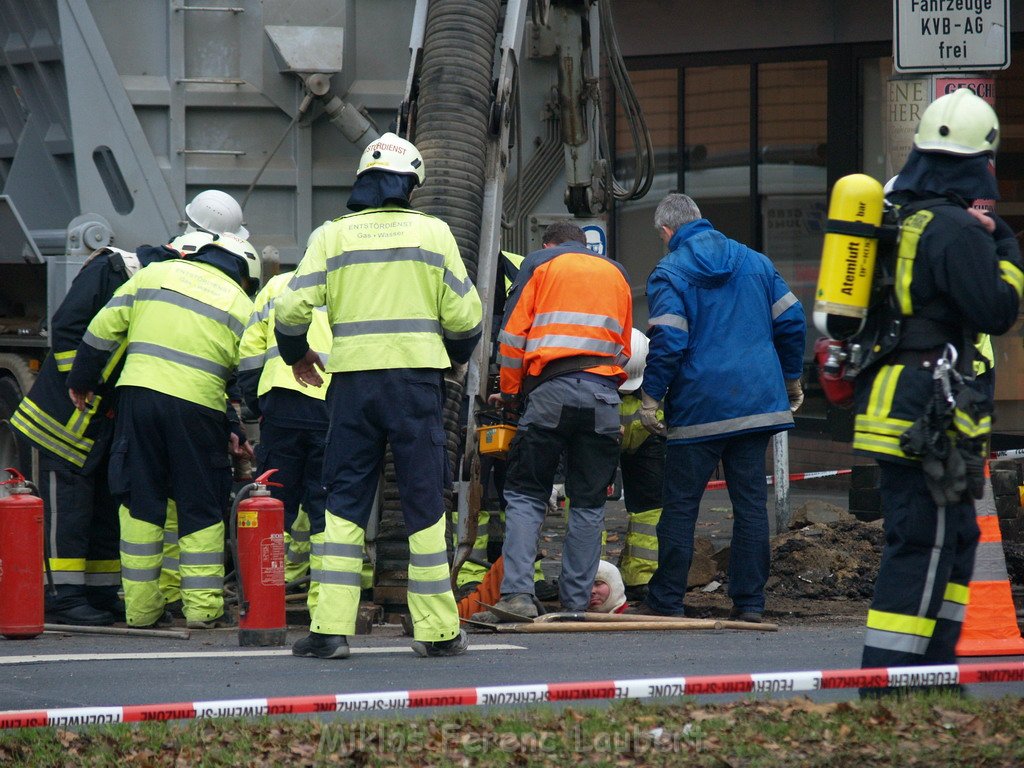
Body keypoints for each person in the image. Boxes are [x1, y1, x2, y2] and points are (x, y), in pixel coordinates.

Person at [275, 132, 482, 659]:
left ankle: (328, 631)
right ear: (410, 184)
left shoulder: (332, 235)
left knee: (343, 503)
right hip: (415, 384)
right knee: (423, 504)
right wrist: (453, 354)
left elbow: (291, 309)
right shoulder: (433, 234)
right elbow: (466, 317)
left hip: (352, 385)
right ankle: (437, 633)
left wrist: (296, 354)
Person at [850, 89, 1022, 673]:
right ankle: (895, 685)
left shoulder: (902, 218)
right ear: (980, 161)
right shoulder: (955, 229)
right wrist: (1004, 243)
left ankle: (935, 673)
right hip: (925, 410)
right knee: (924, 546)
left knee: (956, 542)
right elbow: (997, 310)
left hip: (897, 401)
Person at [10, 232, 216, 625]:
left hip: (101, 427)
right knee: (65, 512)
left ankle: (101, 592)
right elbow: (68, 327)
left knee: (104, 506)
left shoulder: (155, 286)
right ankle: (61, 596)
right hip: (56, 423)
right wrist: (82, 381)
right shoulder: (111, 269)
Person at [67, 233, 260, 629]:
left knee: (141, 500)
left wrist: (82, 379)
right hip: (197, 410)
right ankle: (203, 609)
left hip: (136, 403)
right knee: (200, 503)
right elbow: (250, 371)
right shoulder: (239, 302)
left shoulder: (153, 275)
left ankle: (140, 610)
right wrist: (245, 419)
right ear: (243, 273)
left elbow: (101, 329)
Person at [634, 192, 805, 623]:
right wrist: (790, 379)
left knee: (681, 505)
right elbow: (792, 320)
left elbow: (670, 340)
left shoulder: (669, 271)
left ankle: (668, 598)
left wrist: (651, 398)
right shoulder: (756, 262)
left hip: (698, 408)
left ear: (667, 231)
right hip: (756, 403)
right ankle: (749, 604)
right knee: (750, 506)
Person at [472, 220, 632, 622]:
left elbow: (511, 338)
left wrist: (511, 395)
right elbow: (624, 349)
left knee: (526, 494)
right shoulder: (617, 273)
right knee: (588, 503)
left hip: (549, 392)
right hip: (602, 397)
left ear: (548, 245)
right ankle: (577, 606)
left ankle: (518, 596)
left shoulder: (541, 265)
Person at [238, 249, 334, 615]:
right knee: (327, 510)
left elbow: (249, 353)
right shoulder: (342, 284)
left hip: (282, 407)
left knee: (273, 507)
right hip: (331, 406)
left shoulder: (277, 286)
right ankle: (325, 608)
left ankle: (265, 605)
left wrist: (256, 405)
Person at [616, 327, 665, 602]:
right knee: (588, 503)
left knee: (649, 507)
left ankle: (640, 576)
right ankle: (590, 575)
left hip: (648, 438)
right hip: (601, 436)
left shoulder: (657, 373)